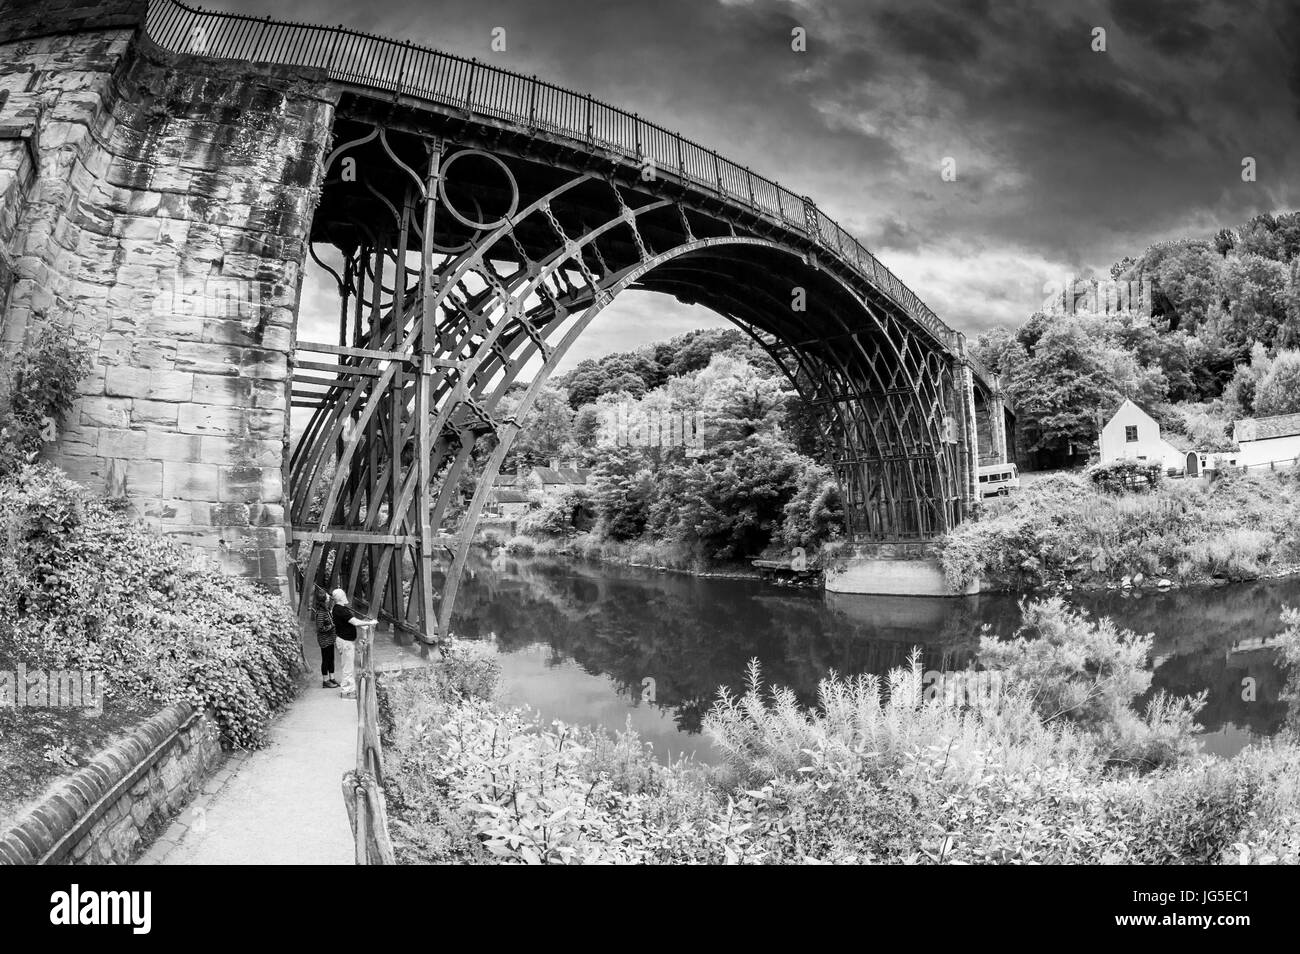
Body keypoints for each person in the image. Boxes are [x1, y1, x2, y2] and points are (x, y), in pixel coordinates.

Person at [330, 587, 374, 699]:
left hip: (343, 640)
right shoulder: (342, 610)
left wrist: (363, 623)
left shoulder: (336, 608)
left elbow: (350, 621)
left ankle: (348, 690)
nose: (346, 596)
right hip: (346, 643)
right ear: (341, 598)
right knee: (348, 668)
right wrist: (370, 623)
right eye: (344, 595)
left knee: (347, 665)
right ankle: (346, 692)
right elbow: (354, 622)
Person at [311, 589, 339, 689]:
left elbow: (332, 602)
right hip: (324, 639)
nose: (329, 597)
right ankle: (325, 680)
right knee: (326, 660)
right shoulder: (320, 613)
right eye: (327, 596)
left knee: (331, 658)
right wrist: (332, 626)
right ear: (323, 599)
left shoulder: (326, 610)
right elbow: (320, 628)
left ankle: (332, 677)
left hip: (330, 638)